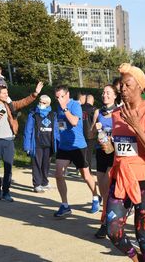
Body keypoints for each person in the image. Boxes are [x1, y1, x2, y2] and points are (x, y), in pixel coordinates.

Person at [106, 63, 145, 262]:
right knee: (113, 229)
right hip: (123, 177)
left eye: (128, 85)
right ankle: (136, 258)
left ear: (139, 86)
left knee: (143, 235)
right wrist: (110, 147)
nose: (122, 89)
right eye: (121, 85)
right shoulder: (116, 114)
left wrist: (137, 126)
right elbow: (123, 147)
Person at [53, 85, 100, 218]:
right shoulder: (58, 107)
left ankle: (96, 197)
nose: (59, 99)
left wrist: (65, 108)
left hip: (78, 146)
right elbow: (61, 125)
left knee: (85, 175)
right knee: (58, 174)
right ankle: (65, 205)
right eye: (57, 97)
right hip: (64, 147)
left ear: (67, 95)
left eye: (61, 96)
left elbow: (74, 122)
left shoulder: (74, 105)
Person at [0, 81, 44, 201]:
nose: (6, 94)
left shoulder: (9, 104)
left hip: (9, 140)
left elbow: (23, 102)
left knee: (8, 168)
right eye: (4, 93)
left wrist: (35, 93)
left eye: (7, 92)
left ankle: (6, 192)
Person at [92, 85, 117, 238]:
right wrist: (95, 128)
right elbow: (90, 133)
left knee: (108, 188)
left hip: (113, 152)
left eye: (108, 93)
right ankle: (108, 218)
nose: (105, 95)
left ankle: (105, 223)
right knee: (102, 189)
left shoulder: (119, 112)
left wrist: (111, 135)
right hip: (100, 152)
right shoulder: (98, 112)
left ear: (115, 96)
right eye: (103, 92)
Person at [23, 95, 59, 193]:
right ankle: (37, 184)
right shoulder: (33, 114)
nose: (41, 104)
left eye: (43, 103)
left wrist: (58, 144)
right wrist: (27, 146)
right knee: (36, 164)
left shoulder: (53, 114)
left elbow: (56, 130)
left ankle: (44, 182)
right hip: (36, 144)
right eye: (40, 101)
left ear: (48, 104)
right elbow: (28, 130)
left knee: (46, 165)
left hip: (48, 144)